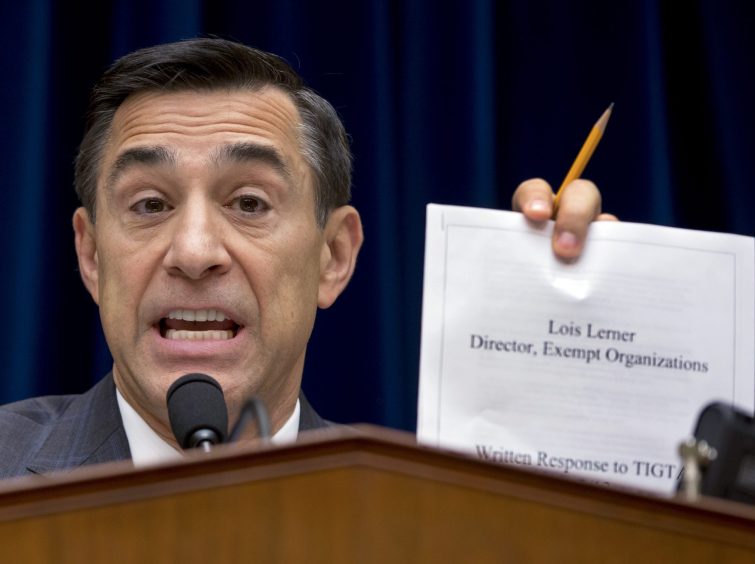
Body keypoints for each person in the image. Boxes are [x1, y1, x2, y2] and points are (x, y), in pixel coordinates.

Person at [0, 38, 609, 479]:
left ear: (334, 256)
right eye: (151, 204)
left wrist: (581, 358)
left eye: (248, 201)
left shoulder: (429, 517)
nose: (193, 252)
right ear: (91, 255)